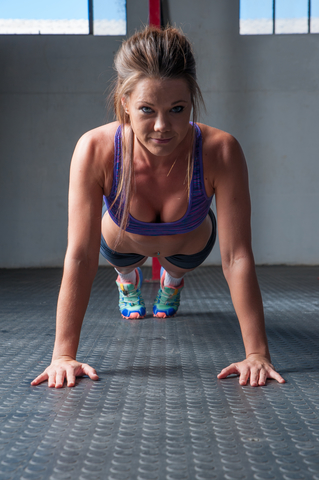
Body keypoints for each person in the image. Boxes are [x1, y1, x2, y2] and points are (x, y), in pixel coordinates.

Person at [31, 26, 285, 389]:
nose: (163, 126)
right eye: (147, 110)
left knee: (175, 261)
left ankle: (173, 279)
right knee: (120, 253)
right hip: (123, 242)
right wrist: (63, 356)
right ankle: (127, 279)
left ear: (192, 102)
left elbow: (237, 257)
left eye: (177, 109)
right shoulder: (94, 149)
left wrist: (257, 352)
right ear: (125, 102)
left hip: (188, 246)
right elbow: (81, 256)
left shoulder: (221, 150)